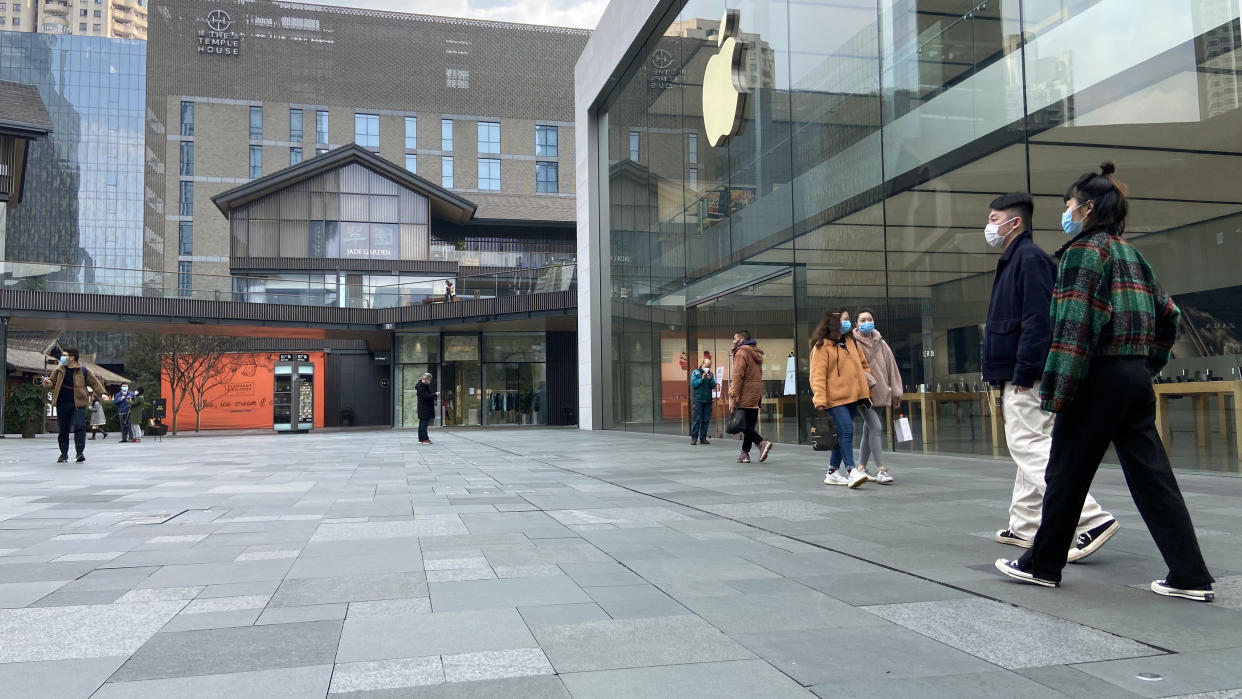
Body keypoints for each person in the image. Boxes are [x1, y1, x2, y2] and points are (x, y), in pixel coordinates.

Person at [996, 163, 1214, 602]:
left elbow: (1073, 330)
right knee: (1153, 478)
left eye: (1070, 206)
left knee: (1065, 472)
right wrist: (1146, 364)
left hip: (1097, 376)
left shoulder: (1082, 253)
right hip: (1132, 377)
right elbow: (1167, 314)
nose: (1067, 213)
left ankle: (1041, 565)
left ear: (1088, 209)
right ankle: (1190, 575)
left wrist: (1057, 393)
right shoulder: (1133, 256)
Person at [982, 191, 1117, 562]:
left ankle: (1092, 518)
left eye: (995, 219)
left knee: (1030, 446)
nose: (989, 227)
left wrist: (1025, 370)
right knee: (1032, 444)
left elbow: (1039, 321)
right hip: (1020, 371)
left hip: (1025, 374)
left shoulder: (1028, 259)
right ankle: (1024, 524)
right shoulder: (1016, 259)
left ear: (1015, 222)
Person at [810, 310, 871, 488]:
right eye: (845, 319)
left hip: (852, 396)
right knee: (846, 431)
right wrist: (820, 400)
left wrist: (864, 389)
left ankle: (832, 472)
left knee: (839, 435)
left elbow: (863, 366)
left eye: (848, 319)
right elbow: (817, 376)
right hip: (834, 398)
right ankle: (851, 470)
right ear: (835, 322)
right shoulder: (822, 346)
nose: (848, 322)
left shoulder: (851, 342)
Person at [851, 309, 902, 484]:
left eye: (870, 319)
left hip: (881, 393)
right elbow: (855, 368)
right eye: (863, 320)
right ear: (856, 324)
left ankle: (861, 468)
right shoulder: (852, 344)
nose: (867, 322)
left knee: (869, 429)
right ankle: (881, 469)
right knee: (877, 428)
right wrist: (870, 382)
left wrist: (896, 393)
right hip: (864, 395)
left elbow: (892, 368)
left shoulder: (881, 343)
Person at [41, 348, 109, 463]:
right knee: (63, 430)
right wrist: (47, 383)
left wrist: (103, 394)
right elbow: (51, 383)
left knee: (79, 427)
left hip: (78, 404)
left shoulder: (84, 370)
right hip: (62, 403)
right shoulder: (58, 370)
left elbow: (94, 382)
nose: (62, 357)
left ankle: (79, 453)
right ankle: (63, 454)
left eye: (65, 355)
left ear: (72, 357)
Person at [728, 330, 773, 464]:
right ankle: (744, 453)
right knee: (749, 424)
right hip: (755, 393)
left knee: (740, 423)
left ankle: (761, 442)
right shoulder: (755, 352)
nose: (733, 340)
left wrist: (733, 395)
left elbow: (738, 375)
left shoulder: (742, 351)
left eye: (735, 338)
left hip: (744, 393)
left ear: (741, 339)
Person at [690, 356, 716, 445]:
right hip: (698, 400)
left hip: (708, 400)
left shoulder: (711, 374)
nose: (707, 368)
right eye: (706, 366)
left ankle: (703, 438)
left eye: (709, 366)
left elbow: (713, 385)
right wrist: (701, 378)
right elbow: (693, 384)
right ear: (702, 364)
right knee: (697, 419)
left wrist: (709, 380)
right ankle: (694, 438)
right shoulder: (695, 372)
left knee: (706, 419)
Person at [415, 373, 438, 444]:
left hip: (424, 407)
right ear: (426, 379)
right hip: (424, 408)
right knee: (424, 424)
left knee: (422, 423)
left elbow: (427, 395)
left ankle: (421, 439)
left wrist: (434, 395)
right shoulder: (421, 386)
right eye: (429, 379)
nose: (430, 381)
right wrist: (435, 394)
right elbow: (426, 396)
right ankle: (425, 439)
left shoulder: (423, 385)